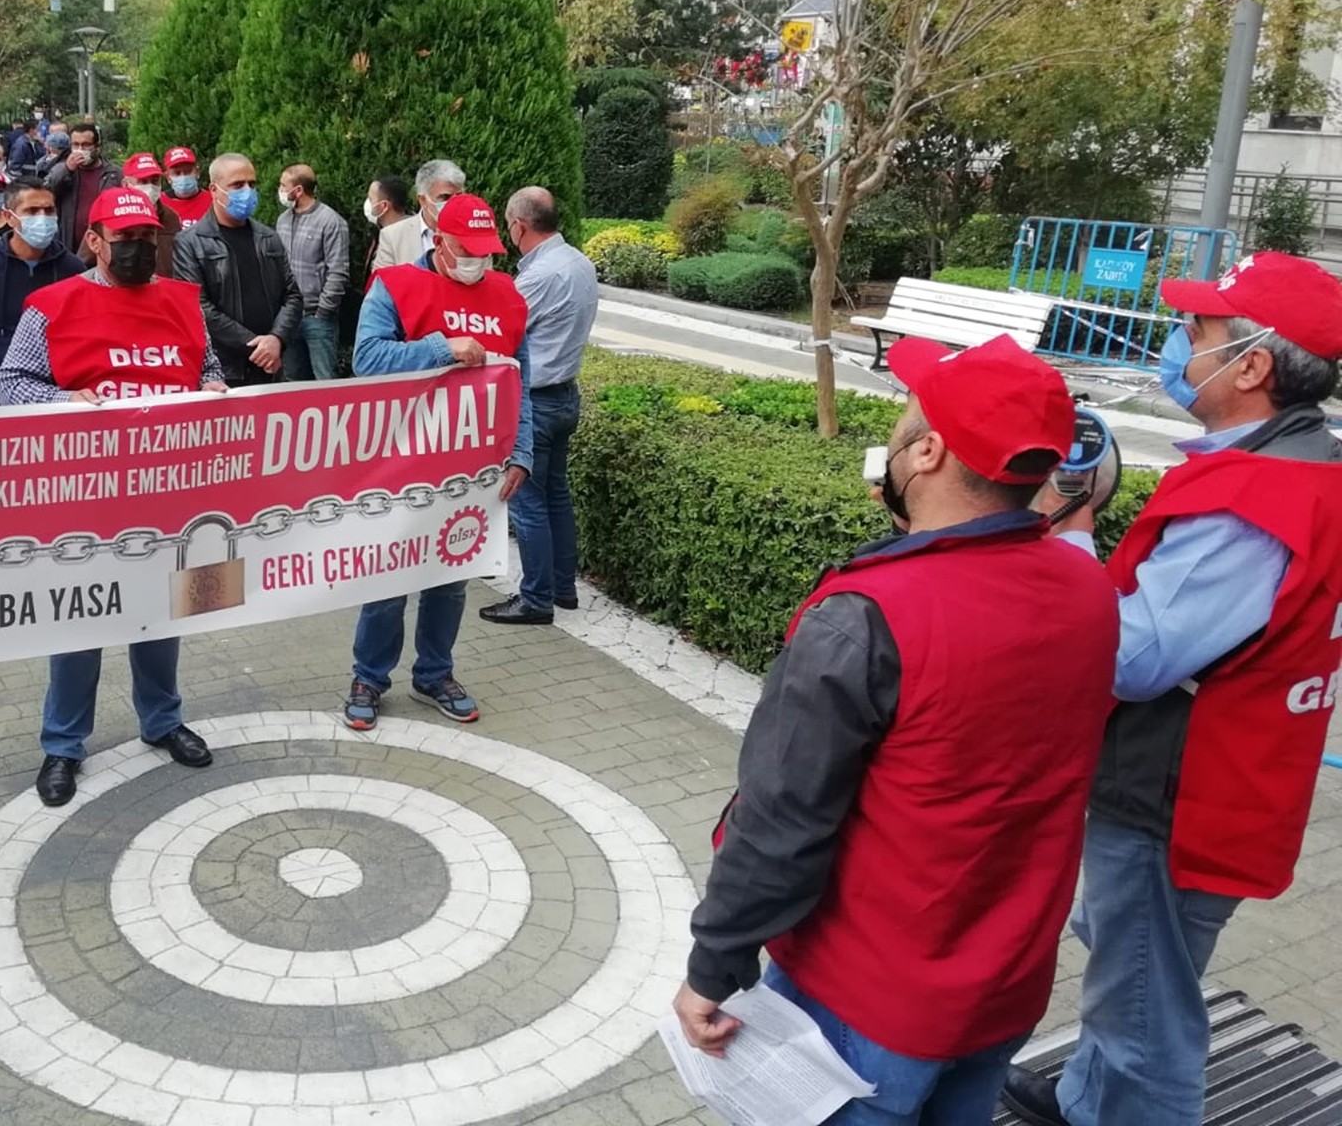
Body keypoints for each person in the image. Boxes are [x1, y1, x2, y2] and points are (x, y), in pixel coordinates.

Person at [673, 334, 1120, 1126]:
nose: (893, 431)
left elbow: (781, 822)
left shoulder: (867, 620)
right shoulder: (1089, 589)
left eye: (905, 416)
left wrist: (715, 965)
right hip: (1008, 983)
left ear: (927, 454)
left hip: (863, 1004)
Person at [1001, 254, 1342, 1126]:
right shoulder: (1310, 468)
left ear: (1253, 366)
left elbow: (1132, 657)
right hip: (1236, 774)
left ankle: (1129, 1103)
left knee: (1148, 1001)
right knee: (1136, 960)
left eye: (1199, 333)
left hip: (1178, 790)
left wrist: (1072, 536)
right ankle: (1086, 1096)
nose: (1178, 346)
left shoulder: (1252, 500)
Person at [0, 187, 227, 808]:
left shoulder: (183, 302)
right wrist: (62, 401)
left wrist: (212, 385)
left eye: (146, 238)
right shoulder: (52, 306)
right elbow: (11, 382)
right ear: (94, 240)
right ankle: (63, 745)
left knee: (163, 611)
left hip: (170, 490)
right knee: (81, 620)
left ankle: (163, 720)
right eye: (123, 239)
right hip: (87, 494)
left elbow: (206, 368)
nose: (136, 249)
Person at [341, 193, 533, 731]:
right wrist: (440, 347)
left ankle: (434, 673)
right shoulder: (397, 286)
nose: (477, 260)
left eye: (486, 251)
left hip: (472, 466)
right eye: (465, 249)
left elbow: (525, 381)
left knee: (451, 576)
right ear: (439, 242)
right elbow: (368, 360)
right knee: (388, 577)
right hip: (401, 459)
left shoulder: (509, 295)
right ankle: (369, 676)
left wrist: (522, 452)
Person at [480, 187, 598, 626]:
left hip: (535, 402)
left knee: (528, 501)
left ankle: (536, 598)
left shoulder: (537, 277)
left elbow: (499, 334)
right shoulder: (579, 262)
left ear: (519, 226)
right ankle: (563, 587)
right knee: (556, 495)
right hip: (566, 395)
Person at [0, 178, 85, 405]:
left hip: (57, 397)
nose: (43, 218)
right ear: (9, 217)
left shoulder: (73, 269)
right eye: (32, 211)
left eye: (49, 210)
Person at [170, 153, 300, 387]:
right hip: (223, 371)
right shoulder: (190, 242)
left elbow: (292, 295)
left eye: (252, 184)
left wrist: (277, 338)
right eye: (238, 185)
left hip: (270, 368)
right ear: (214, 190)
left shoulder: (268, 238)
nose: (247, 192)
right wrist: (256, 345)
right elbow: (198, 308)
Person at [274, 163, 349, 381]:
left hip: (318, 318)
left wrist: (323, 310)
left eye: (282, 185)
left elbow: (338, 272)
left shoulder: (331, 222)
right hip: (289, 316)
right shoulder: (283, 220)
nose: (279, 190)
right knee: (293, 379)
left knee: (325, 379)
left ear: (298, 191)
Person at [78, 153, 178, 277]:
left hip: (161, 290)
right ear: (125, 183)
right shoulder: (108, 214)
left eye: (155, 181)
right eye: (143, 181)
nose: (150, 187)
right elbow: (84, 262)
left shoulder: (171, 217)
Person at [43, 123, 123, 251]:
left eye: (86, 145)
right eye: (76, 145)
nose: (80, 149)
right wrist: (67, 169)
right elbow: (46, 192)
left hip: (102, 244)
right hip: (69, 244)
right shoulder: (62, 169)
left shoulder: (114, 174)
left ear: (97, 147)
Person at [365, 174, 420, 280]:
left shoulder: (409, 237)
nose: (368, 203)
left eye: (371, 199)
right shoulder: (380, 231)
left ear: (384, 206)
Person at [412, 159, 466, 256]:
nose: (454, 203)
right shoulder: (393, 237)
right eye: (445, 197)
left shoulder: (473, 231)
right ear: (422, 200)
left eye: (458, 196)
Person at [161, 147, 212, 230]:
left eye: (188, 171)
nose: (183, 177)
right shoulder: (160, 204)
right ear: (168, 177)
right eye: (177, 173)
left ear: (197, 172)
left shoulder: (212, 201)